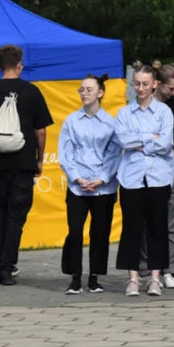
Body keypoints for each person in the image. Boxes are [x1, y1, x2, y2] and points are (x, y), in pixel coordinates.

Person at [0, 45, 52, 287]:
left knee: (1, 212)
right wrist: (39, 159)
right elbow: (40, 131)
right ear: (19, 64)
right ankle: (8, 267)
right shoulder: (31, 91)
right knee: (17, 216)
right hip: (23, 162)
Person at [115, 63, 174, 297]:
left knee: (158, 228)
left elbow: (166, 143)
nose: (141, 88)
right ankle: (132, 278)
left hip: (158, 178)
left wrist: (140, 142)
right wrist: (151, 138)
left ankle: (155, 278)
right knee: (131, 228)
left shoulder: (164, 112)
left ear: (154, 85)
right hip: (131, 178)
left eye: (145, 84)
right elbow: (123, 141)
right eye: (137, 83)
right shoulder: (124, 113)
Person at [58, 74, 120, 295]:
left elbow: (115, 153)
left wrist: (103, 178)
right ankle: (75, 277)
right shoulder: (71, 121)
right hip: (78, 186)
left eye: (89, 89)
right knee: (75, 231)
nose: (84, 93)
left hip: (103, 187)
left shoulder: (111, 123)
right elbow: (65, 153)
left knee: (100, 232)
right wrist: (77, 177)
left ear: (100, 93)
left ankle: (94, 277)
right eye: (81, 89)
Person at [145, 62, 174, 288]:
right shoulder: (146, 103)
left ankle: (171, 270)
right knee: (148, 220)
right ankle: (148, 268)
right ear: (158, 84)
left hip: (169, 162)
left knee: (171, 221)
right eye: (171, 88)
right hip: (148, 162)